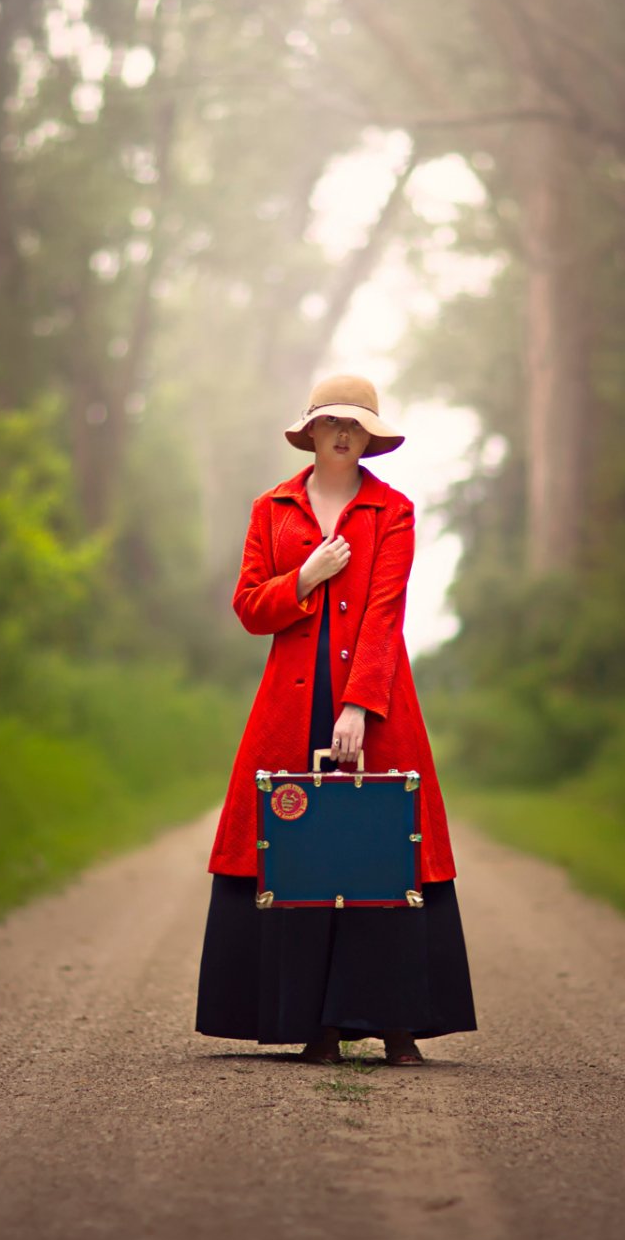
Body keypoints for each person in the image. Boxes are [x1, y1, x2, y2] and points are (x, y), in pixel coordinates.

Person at [195, 373, 477, 1066]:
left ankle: (397, 1025)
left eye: (357, 426)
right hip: (288, 706)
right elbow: (249, 606)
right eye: (332, 423)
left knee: (383, 845)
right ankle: (312, 1023)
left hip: (374, 707)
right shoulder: (272, 509)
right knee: (293, 847)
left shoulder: (394, 512)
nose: (344, 435)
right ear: (313, 431)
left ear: (369, 439)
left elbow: (385, 615)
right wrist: (306, 578)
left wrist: (357, 705)